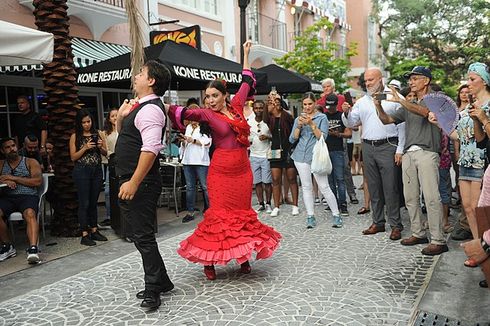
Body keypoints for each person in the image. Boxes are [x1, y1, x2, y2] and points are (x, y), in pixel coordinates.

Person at [168, 41, 281, 281]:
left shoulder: (238, 106)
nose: (209, 100)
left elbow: (247, 81)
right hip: (220, 172)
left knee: (241, 216)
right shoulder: (207, 114)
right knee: (219, 216)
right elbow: (185, 113)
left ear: (224, 95)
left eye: (214, 95)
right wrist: (160, 103)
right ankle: (209, 262)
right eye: (207, 96)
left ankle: (243, 258)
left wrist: (246, 54)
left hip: (242, 171)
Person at [115, 60, 175, 309]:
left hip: (140, 182)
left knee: (143, 236)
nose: (136, 76)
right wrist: (120, 117)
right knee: (140, 236)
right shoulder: (139, 107)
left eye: (141, 73)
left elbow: (150, 149)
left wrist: (133, 182)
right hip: (132, 178)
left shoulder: (150, 110)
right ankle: (162, 281)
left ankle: (153, 288)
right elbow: (125, 137)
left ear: (151, 81)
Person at [377, 66, 448, 256]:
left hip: (427, 152)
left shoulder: (436, 98)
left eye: (415, 79)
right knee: (410, 197)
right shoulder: (410, 102)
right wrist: (378, 105)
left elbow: (423, 112)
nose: (411, 82)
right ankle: (418, 233)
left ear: (426, 80)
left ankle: (438, 240)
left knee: (432, 198)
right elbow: (387, 120)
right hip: (409, 153)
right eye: (410, 79)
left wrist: (400, 99)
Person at [342, 67, 405, 241]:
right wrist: (346, 112)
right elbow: (353, 122)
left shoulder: (393, 97)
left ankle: (396, 224)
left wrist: (400, 149)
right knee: (374, 186)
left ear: (381, 79)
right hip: (368, 146)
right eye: (366, 80)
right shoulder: (362, 101)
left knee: (391, 187)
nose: (368, 83)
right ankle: (378, 222)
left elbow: (403, 125)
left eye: (371, 80)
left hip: (388, 145)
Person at [290, 92, 342, 228]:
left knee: (324, 186)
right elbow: (292, 139)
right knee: (306, 187)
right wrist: (299, 126)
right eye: (305, 104)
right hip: (300, 156)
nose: (307, 107)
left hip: (317, 156)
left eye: (310, 104)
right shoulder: (298, 119)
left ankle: (336, 215)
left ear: (315, 104)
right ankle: (310, 216)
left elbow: (323, 138)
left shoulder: (322, 117)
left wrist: (311, 124)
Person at [0, 137, 42, 264]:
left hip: (28, 196)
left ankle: (33, 248)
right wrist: (4, 180)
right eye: (7, 147)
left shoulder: (30, 162)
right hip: (8, 197)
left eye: (13, 146)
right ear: (2, 151)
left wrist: (14, 178)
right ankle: (7, 246)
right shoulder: (1, 164)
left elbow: (37, 181)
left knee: (30, 213)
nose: (11, 149)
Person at [69, 108, 108, 247]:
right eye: (84, 122)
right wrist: (85, 147)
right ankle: (84, 233)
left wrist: (100, 147)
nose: (87, 125)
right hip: (82, 171)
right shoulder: (75, 136)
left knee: (93, 202)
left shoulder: (98, 134)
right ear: (79, 123)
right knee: (84, 202)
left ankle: (94, 230)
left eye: (89, 121)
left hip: (96, 170)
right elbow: (73, 157)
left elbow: (105, 153)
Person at [264, 92, 299, 217]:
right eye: (274, 103)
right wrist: (269, 100)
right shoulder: (269, 118)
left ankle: (295, 205)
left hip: (288, 149)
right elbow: (264, 117)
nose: (276, 104)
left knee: (291, 178)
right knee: (275, 179)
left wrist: (278, 100)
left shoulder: (287, 116)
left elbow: (294, 122)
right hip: (274, 150)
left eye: (278, 102)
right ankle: (276, 206)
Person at [179, 117, 211, 223]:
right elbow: (186, 144)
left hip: (201, 161)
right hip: (188, 160)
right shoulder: (188, 127)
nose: (192, 120)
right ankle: (190, 212)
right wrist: (184, 141)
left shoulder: (204, 127)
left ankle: (211, 210)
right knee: (190, 187)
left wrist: (193, 140)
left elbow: (207, 143)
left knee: (205, 187)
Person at [325, 94, 352, 216]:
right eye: (328, 106)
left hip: (338, 150)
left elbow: (349, 133)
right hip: (325, 151)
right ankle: (333, 203)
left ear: (336, 105)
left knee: (340, 179)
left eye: (332, 106)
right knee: (330, 180)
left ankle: (343, 204)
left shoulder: (341, 115)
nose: (329, 109)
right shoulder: (323, 116)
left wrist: (338, 134)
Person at [248, 99, 272, 213]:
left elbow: (275, 136)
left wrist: (267, 137)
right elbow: (246, 137)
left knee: (267, 181)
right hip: (253, 155)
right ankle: (261, 203)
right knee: (257, 182)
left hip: (266, 154)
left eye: (261, 108)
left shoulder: (268, 121)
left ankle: (268, 203)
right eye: (256, 108)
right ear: (253, 109)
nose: (259, 110)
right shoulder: (249, 122)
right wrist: (249, 141)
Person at [100, 108, 119, 226]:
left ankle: (119, 216)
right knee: (107, 191)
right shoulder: (105, 133)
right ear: (109, 118)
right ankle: (109, 216)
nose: (115, 118)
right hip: (110, 163)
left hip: (122, 163)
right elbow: (105, 150)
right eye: (112, 116)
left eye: (117, 115)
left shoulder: (123, 130)